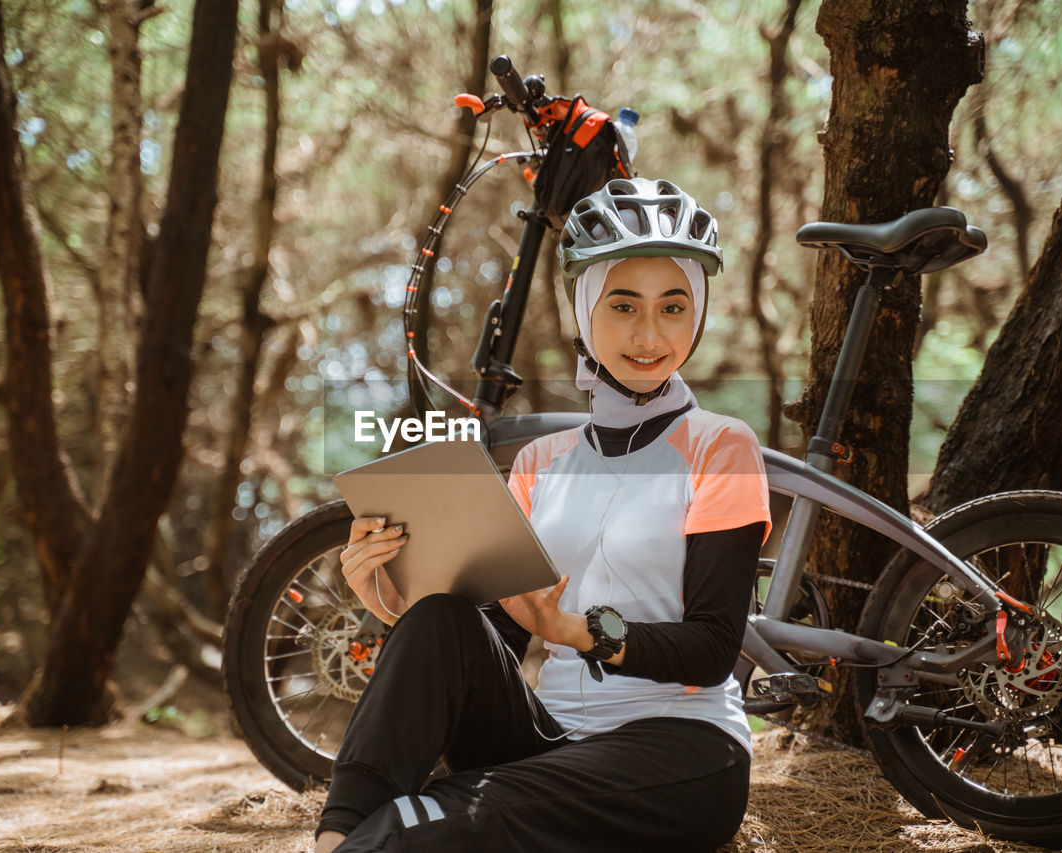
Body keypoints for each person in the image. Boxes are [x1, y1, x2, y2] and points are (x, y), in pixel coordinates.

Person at [315, 177, 772, 853]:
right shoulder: (542, 461)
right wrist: (390, 598)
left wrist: (583, 630)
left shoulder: (720, 445)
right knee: (440, 614)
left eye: (674, 307)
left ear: (697, 313)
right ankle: (333, 839)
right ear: (585, 309)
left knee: (453, 815)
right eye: (623, 305)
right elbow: (492, 636)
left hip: (680, 751)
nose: (650, 334)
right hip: (546, 740)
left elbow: (711, 649)